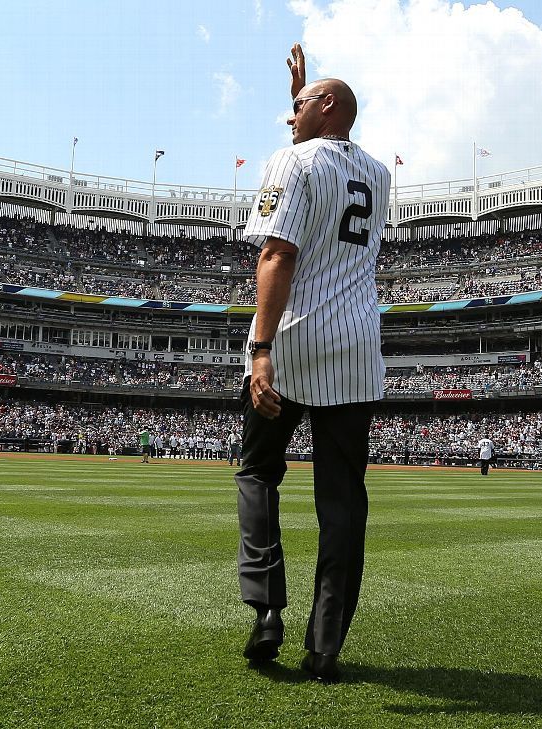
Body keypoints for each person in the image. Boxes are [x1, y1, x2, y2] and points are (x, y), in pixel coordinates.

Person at [236, 44, 389, 684]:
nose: (290, 115)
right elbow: (320, 148)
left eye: (299, 105)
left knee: (257, 472)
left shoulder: (291, 160)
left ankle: (267, 607)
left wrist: (262, 349)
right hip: (357, 349)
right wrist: (298, 93)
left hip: (295, 339)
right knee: (343, 501)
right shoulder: (379, 174)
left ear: (325, 107)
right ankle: (326, 644)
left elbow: (277, 253)